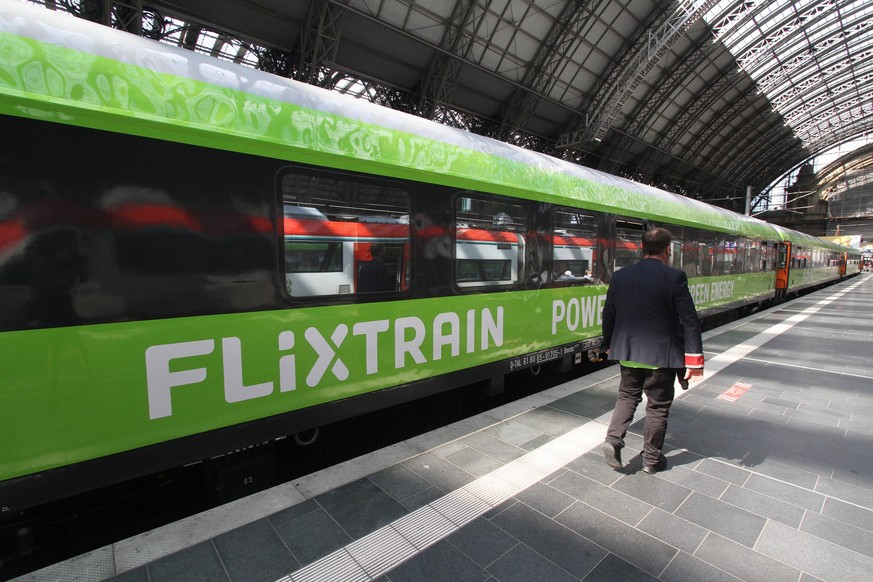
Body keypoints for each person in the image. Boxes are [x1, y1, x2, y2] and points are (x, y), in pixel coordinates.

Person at [600, 227, 704, 474]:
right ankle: (652, 460)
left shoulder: (622, 276)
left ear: (642, 248)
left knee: (627, 396)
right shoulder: (674, 277)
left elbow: (609, 313)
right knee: (657, 406)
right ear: (668, 250)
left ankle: (613, 440)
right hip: (661, 356)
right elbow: (689, 320)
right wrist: (694, 361)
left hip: (628, 352)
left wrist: (608, 344)